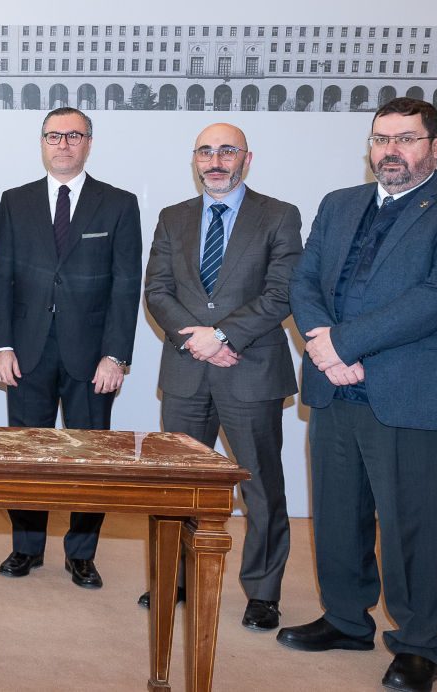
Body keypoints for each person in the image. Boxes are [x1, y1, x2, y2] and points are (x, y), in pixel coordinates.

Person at [276, 98, 437, 692]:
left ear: (436, 147)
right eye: (380, 139)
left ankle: (421, 643)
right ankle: (346, 620)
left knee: (415, 526)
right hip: (334, 388)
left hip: (411, 392)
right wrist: (325, 346)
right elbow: (304, 279)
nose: (390, 150)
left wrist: (342, 344)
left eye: (406, 138)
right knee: (337, 514)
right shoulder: (338, 203)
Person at [138, 123, 302, 630]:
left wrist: (224, 336)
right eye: (206, 152)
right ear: (195, 160)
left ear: (246, 159)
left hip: (250, 371)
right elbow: (157, 290)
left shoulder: (279, 215)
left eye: (227, 151)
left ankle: (263, 593)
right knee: (177, 486)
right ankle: (175, 578)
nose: (216, 161)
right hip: (186, 369)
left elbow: (282, 292)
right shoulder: (173, 217)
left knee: (260, 487)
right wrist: (196, 340)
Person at [0, 107, 141, 589]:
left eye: (74, 136)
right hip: (26, 351)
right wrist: (0, 346)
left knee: (91, 456)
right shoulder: (15, 201)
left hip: (92, 357)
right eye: (54, 136)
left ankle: (81, 554)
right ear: (43, 142)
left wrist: (116, 355)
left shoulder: (119, 203)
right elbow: (0, 277)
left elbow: (126, 285)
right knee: (27, 455)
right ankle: (26, 547)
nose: (64, 144)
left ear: (89, 142)